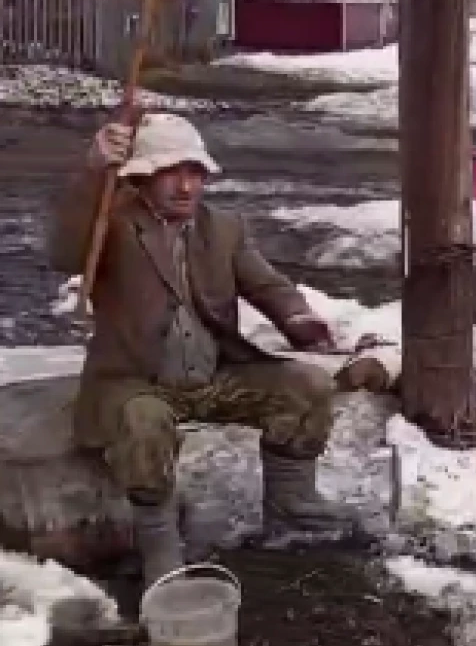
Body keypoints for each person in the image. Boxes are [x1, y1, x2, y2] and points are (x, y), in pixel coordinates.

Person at [46, 109, 355, 588]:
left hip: (214, 378)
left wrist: (297, 318)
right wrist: (92, 173)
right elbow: (65, 253)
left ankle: (290, 504)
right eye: (171, 173)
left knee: (305, 384)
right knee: (141, 422)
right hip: (137, 383)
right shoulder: (112, 223)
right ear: (142, 177)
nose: (186, 187)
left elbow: (267, 284)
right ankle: (161, 544)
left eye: (195, 173)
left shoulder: (224, 228)